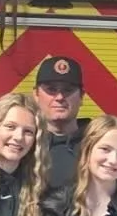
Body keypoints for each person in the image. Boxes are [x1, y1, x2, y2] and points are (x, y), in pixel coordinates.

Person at [34, 55, 91, 188]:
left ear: (82, 96)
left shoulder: (96, 143)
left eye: (68, 90)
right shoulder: (23, 143)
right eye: (51, 90)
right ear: (36, 95)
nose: (59, 97)